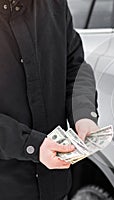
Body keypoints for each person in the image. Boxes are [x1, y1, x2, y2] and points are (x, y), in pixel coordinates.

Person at [0, 0, 99, 199]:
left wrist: (83, 114)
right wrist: (32, 146)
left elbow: (75, 65)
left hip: (56, 187)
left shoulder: (54, 5)